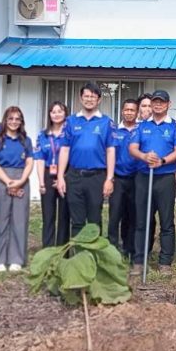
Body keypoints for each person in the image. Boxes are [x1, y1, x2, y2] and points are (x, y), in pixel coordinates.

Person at [129, 89, 176, 274]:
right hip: (144, 177)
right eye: (155, 101)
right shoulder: (141, 126)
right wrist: (144, 156)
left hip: (165, 178)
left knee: (166, 221)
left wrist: (162, 160)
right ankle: (139, 260)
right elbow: (133, 148)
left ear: (169, 104)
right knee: (142, 220)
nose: (158, 104)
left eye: (162, 101)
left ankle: (165, 262)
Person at [56, 83, 116, 236]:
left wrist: (109, 178)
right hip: (74, 177)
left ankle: (94, 251)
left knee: (94, 220)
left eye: (93, 97)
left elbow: (110, 151)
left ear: (99, 99)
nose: (89, 99)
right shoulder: (70, 121)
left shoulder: (106, 122)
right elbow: (64, 149)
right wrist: (60, 176)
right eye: (86, 96)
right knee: (77, 221)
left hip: (97, 177)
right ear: (81, 98)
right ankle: (79, 251)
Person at [0, 106, 34, 272]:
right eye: (11, 118)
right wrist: (8, 182)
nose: (14, 122)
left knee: (19, 220)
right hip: (1, 179)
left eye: (17, 119)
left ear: (21, 121)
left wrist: (21, 181)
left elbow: (30, 162)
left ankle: (16, 259)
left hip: (21, 178)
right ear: (5, 120)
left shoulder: (26, 141)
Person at [35, 101, 69, 248]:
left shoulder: (69, 134)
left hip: (66, 175)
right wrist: (41, 182)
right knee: (48, 215)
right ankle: (47, 249)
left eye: (60, 111)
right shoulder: (43, 135)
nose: (56, 114)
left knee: (64, 216)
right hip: (48, 174)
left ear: (65, 114)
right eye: (53, 112)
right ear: (49, 115)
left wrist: (64, 177)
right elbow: (39, 159)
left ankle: (63, 249)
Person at [108, 97, 139, 257]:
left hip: (136, 179)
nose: (129, 112)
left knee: (132, 215)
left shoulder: (140, 130)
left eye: (132, 110)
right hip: (118, 179)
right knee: (114, 215)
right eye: (126, 109)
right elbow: (109, 154)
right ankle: (112, 250)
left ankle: (129, 249)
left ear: (137, 112)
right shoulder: (114, 131)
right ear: (122, 111)